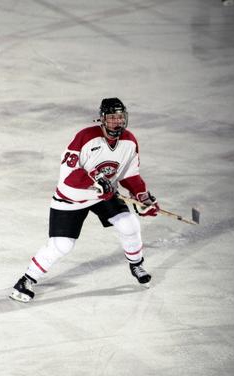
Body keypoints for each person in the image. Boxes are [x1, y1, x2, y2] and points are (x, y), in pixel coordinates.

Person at [10, 98, 160, 302]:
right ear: (102, 119)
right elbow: (68, 175)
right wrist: (94, 180)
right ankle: (26, 280)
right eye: (112, 117)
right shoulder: (85, 138)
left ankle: (136, 265)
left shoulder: (129, 142)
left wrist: (141, 195)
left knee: (129, 223)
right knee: (62, 245)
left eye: (120, 117)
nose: (117, 122)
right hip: (72, 197)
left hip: (103, 195)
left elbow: (129, 175)